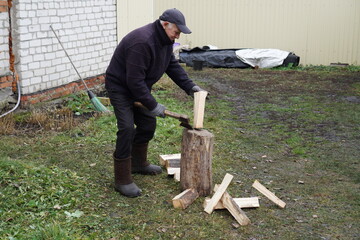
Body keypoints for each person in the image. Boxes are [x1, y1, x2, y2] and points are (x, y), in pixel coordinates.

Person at [105, 8, 205, 197]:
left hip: (138, 86)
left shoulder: (165, 41)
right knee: (126, 128)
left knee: (148, 124)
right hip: (120, 87)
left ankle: (137, 163)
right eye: (176, 32)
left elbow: (172, 65)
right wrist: (152, 105)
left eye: (179, 34)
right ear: (165, 24)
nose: (177, 37)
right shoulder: (142, 41)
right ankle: (122, 179)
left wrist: (191, 87)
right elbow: (133, 81)